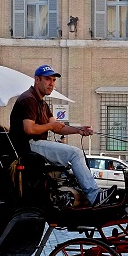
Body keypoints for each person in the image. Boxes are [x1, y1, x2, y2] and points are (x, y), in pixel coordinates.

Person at [9, 65, 116, 207]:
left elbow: (58, 128)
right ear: (37, 79)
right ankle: (94, 195)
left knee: (72, 161)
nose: (51, 83)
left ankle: (72, 196)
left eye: (53, 80)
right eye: (48, 79)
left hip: (35, 145)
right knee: (75, 153)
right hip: (27, 145)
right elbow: (29, 129)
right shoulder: (28, 99)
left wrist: (78, 130)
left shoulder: (42, 103)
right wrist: (51, 126)